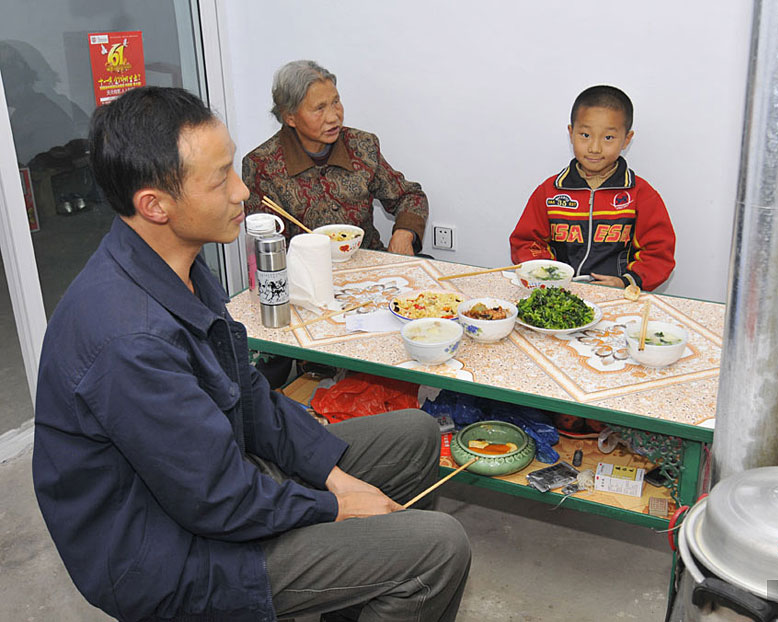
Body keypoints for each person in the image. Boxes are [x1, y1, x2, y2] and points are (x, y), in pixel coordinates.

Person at [31, 86, 470, 622]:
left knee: (415, 436)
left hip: (218, 478)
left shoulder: (179, 265)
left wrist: (331, 475)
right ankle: (380, 569)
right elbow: (218, 501)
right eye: (221, 179)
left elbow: (248, 394)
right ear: (155, 205)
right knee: (439, 548)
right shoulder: (129, 341)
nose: (242, 191)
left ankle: (357, 587)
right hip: (174, 553)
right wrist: (335, 505)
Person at [243, 60, 427, 255]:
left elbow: (409, 196)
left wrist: (404, 233)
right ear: (290, 117)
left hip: (367, 262)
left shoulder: (361, 146)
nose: (333, 117)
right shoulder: (262, 166)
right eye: (319, 108)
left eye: (336, 102)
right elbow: (268, 246)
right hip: (306, 268)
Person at [509, 85, 676, 291]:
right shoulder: (549, 192)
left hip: (616, 297)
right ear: (571, 133)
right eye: (585, 135)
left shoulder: (640, 195)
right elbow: (526, 242)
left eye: (608, 138)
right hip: (557, 294)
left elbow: (659, 254)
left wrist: (626, 281)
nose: (594, 148)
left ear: (627, 139)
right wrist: (550, 276)